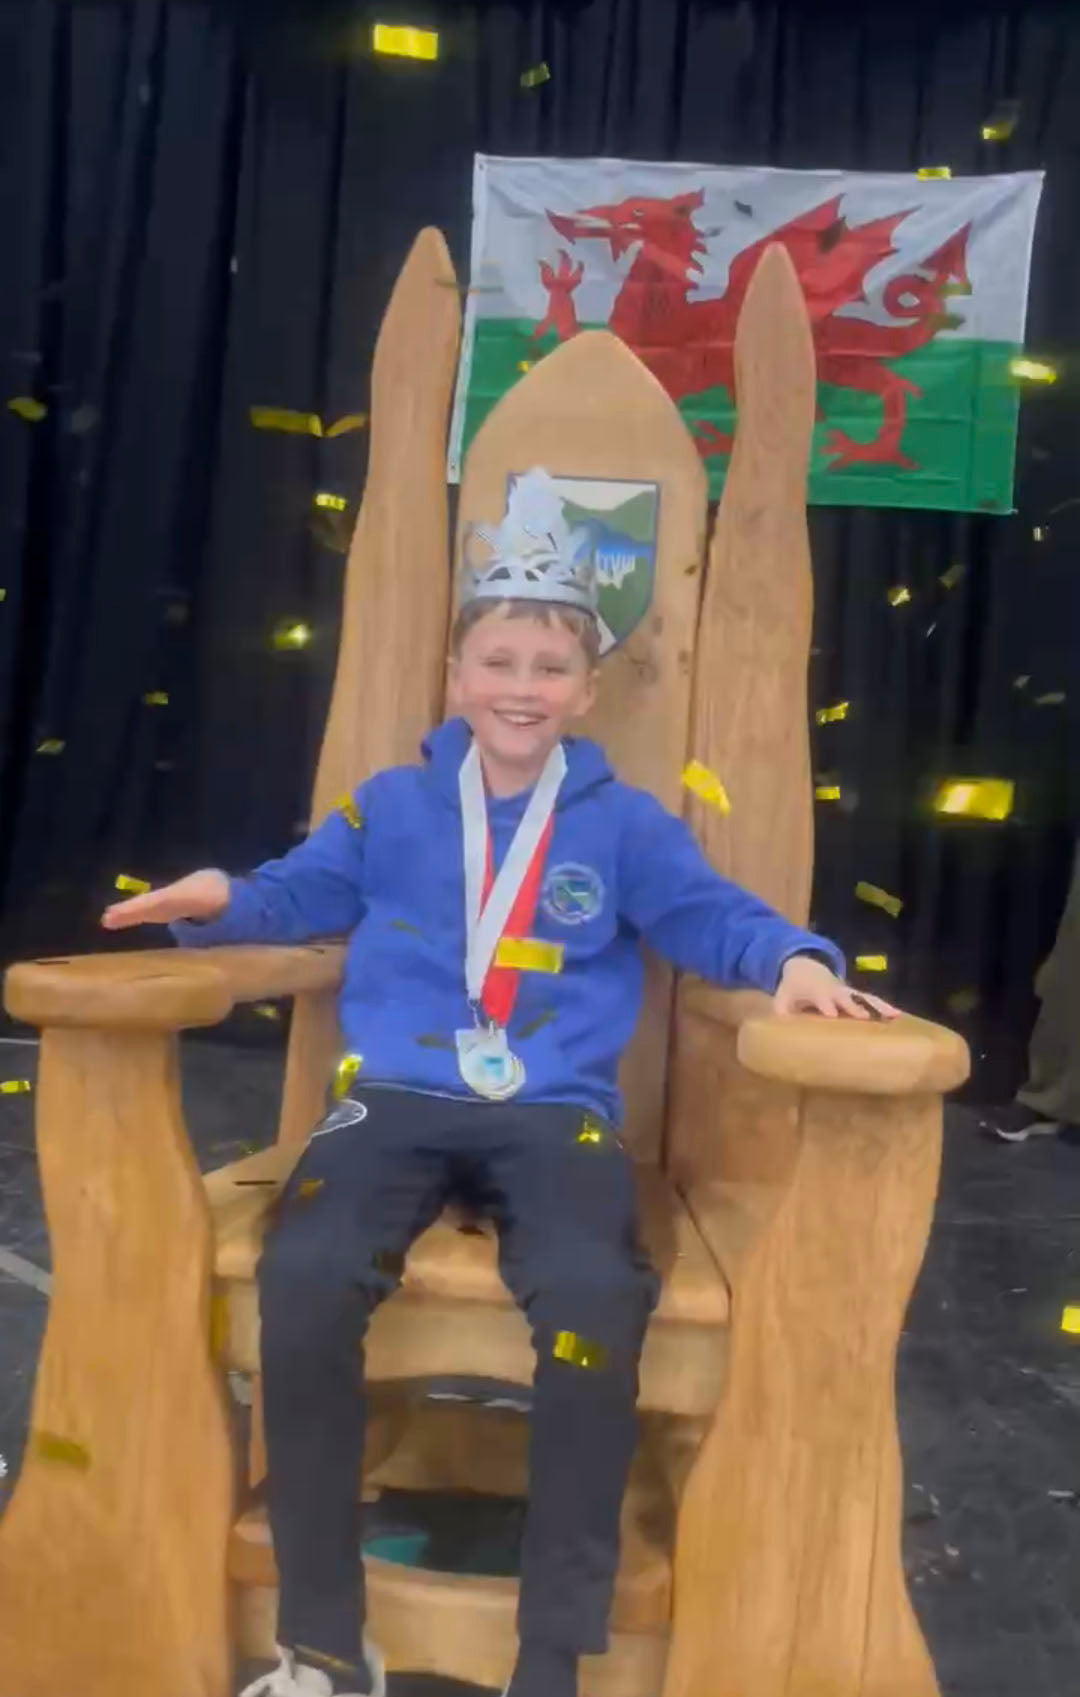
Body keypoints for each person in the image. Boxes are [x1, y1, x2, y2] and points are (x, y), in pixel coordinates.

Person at [102, 468, 896, 1697]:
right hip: (393, 1100)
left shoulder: (625, 823)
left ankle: (549, 1657)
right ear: (460, 675)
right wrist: (225, 902)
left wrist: (792, 959)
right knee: (306, 1275)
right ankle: (320, 1642)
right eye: (499, 661)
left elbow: (708, 915)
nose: (521, 687)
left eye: (546, 668)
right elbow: (296, 896)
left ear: (584, 689)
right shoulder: (391, 806)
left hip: (552, 1112)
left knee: (593, 1290)